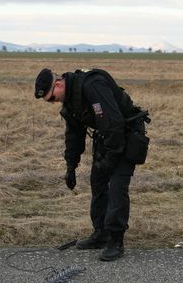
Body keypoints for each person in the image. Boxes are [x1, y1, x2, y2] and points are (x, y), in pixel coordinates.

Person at [34, 67, 150, 261]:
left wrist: (110, 159)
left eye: (52, 98)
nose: (54, 102)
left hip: (126, 135)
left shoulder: (92, 85)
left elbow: (113, 122)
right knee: (98, 183)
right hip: (108, 138)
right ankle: (101, 234)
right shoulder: (71, 101)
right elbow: (74, 135)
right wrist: (71, 166)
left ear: (59, 84)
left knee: (117, 188)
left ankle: (115, 240)